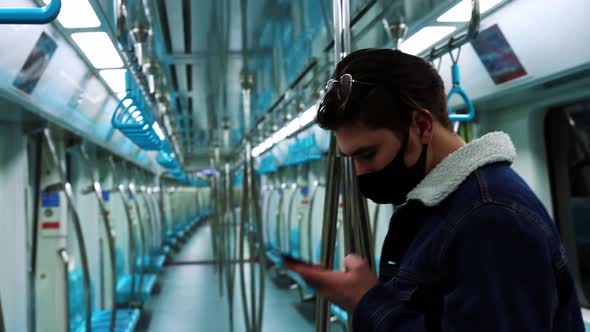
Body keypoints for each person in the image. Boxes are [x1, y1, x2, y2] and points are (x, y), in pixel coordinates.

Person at [284, 48, 584, 331]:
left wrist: (366, 302)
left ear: (422, 125)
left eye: (368, 154)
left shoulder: (489, 218)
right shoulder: (439, 207)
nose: (360, 173)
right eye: (352, 158)